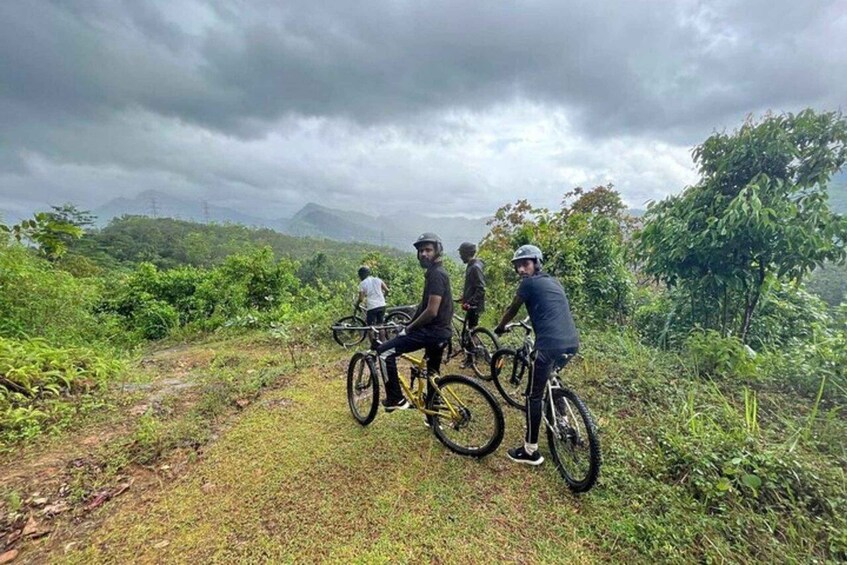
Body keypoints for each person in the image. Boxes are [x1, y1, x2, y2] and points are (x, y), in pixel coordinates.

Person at [494, 244, 579, 465]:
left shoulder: (528, 285)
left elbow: (512, 309)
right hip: (571, 343)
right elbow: (550, 307)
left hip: (549, 345)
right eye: (518, 266)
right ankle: (563, 420)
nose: (522, 270)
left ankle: (530, 450)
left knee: (534, 395)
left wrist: (500, 327)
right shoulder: (553, 281)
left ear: (536, 263)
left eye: (526, 264)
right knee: (553, 377)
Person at [376, 233, 454, 411]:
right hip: (443, 332)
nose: (423, 254)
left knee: (384, 353)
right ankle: (433, 416)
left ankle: (395, 398)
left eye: (428, 250)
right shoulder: (435, 273)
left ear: (437, 251)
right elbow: (423, 306)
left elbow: (431, 311)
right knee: (432, 374)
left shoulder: (436, 275)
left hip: (432, 331)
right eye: (420, 251)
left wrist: (408, 330)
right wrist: (408, 323)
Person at [457, 242, 486, 367]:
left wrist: (470, 302)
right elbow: (472, 286)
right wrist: (464, 298)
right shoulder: (472, 265)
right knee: (470, 330)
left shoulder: (475, 267)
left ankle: (471, 359)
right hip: (471, 303)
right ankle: (472, 357)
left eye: (460, 253)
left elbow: (481, 288)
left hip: (474, 306)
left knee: (470, 331)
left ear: (466, 253)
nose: (459, 256)